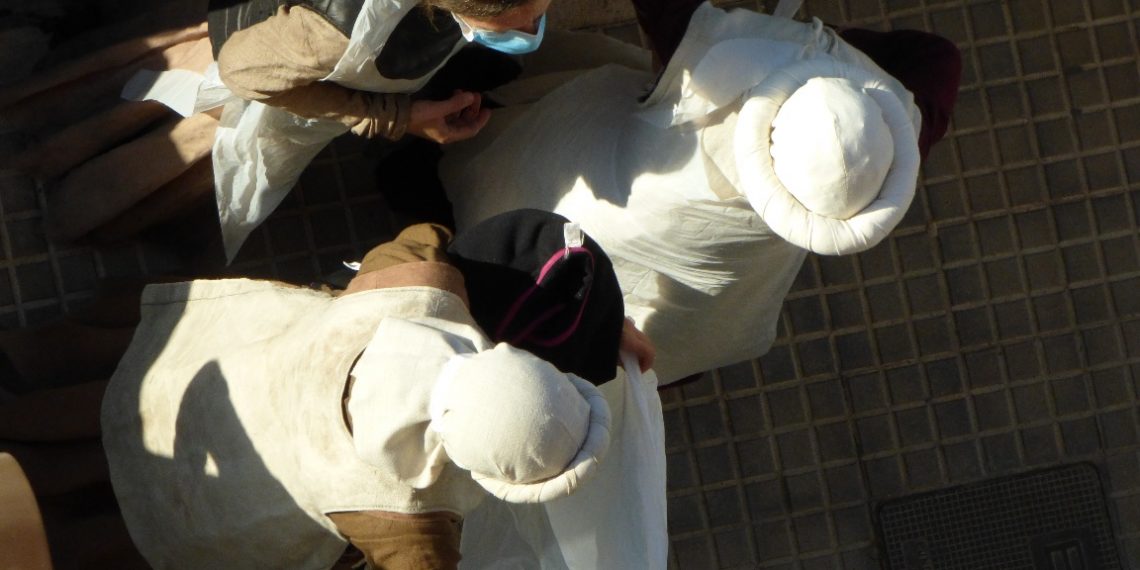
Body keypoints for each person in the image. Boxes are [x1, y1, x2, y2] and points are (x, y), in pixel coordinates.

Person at [0, 209, 658, 569]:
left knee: (103, 401)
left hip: (222, 372)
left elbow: (420, 237)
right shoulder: (410, 517)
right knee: (108, 529)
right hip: (209, 507)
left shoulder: (425, 295)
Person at [438, 0, 961, 384]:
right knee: (667, 343)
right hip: (677, 304)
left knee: (487, 176)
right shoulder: (884, 156)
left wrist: (824, 50)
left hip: (552, 188)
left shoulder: (713, 67)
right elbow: (935, 64)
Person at [0, 0, 547, 259]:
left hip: (280, 41)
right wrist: (394, 118)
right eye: (519, 20)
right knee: (145, 154)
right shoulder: (335, 32)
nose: (531, 29)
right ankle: (60, 190)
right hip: (247, 80)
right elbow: (243, 71)